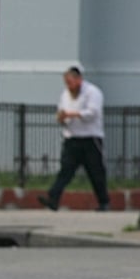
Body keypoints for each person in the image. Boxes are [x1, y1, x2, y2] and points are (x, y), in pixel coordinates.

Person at [38, 66, 110, 212]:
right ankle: (53, 198)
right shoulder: (65, 95)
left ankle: (103, 202)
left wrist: (71, 114)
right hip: (72, 138)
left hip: (90, 138)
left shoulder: (92, 92)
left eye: (70, 82)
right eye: (66, 83)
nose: (68, 87)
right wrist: (62, 118)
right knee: (65, 171)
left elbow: (92, 113)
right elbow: (62, 111)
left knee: (96, 172)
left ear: (79, 80)